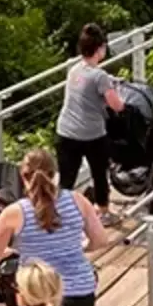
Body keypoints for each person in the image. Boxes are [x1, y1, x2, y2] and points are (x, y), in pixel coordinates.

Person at [0, 149, 113, 306]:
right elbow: (100, 240)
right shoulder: (77, 200)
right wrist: (80, 247)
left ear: (23, 176)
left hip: (38, 298)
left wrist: (15, 251)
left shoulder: (14, 213)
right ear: (55, 175)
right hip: (80, 297)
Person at [55, 24, 125, 226]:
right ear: (100, 48)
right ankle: (103, 211)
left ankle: (60, 214)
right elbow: (117, 105)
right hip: (91, 134)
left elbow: (88, 82)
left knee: (67, 179)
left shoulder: (74, 69)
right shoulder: (100, 76)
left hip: (66, 131)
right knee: (99, 173)